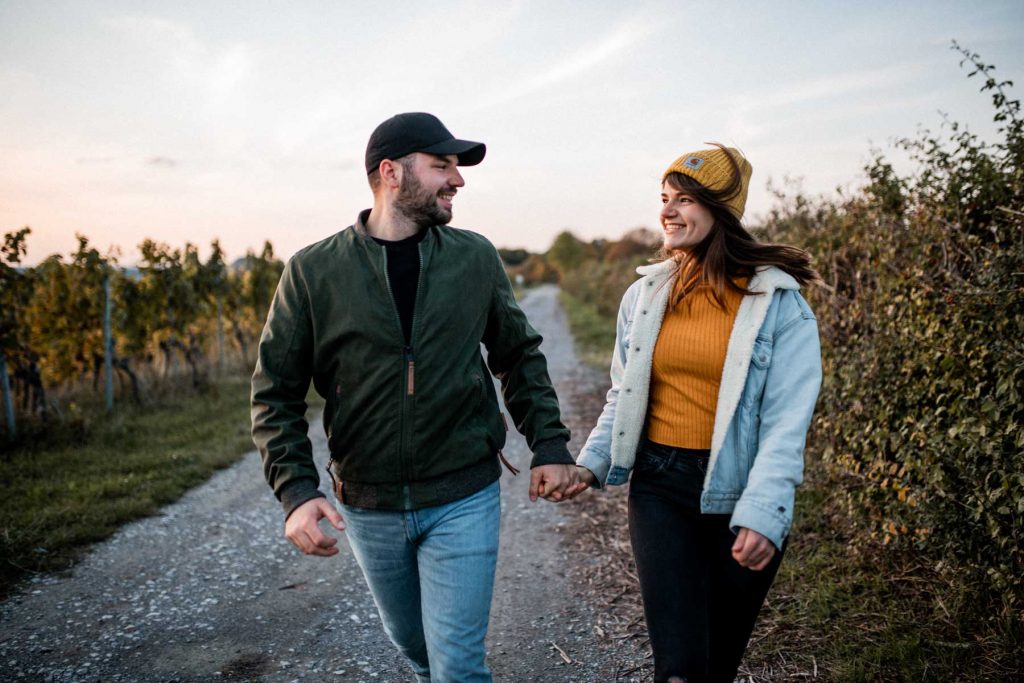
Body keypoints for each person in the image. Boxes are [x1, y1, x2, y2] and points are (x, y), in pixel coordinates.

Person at [251, 112, 579, 682]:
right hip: (368, 503)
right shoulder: (312, 271)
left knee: (457, 663)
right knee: (418, 650)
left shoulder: (474, 257)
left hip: (463, 494)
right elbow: (275, 392)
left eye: (456, 167)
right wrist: (297, 492)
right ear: (391, 173)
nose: (458, 180)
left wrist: (549, 444)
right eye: (441, 166)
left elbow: (518, 356)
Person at [564, 144, 822, 682]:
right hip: (659, 487)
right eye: (664, 197)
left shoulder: (779, 303)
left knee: (716, 666)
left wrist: (765, 511)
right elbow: (623, 394)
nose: (667, 211)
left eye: (684, 199)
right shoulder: (644, 295)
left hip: (740, 491)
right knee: (678, 670)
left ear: (720, 208)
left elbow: (785, 424)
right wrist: (590, 464)